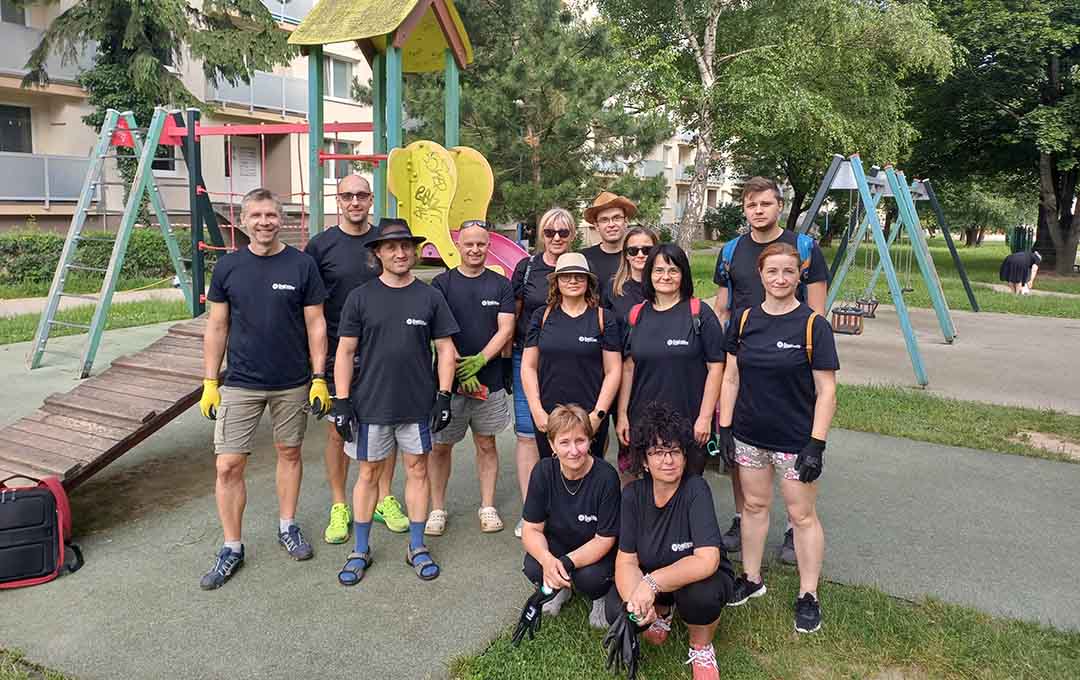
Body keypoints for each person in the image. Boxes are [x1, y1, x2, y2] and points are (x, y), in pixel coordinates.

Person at [198, 188, 328, 590]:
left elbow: (316, 324)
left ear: (281, 218)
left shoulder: (302, 265)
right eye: (256, 215)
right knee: (228, 465)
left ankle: (287, 526)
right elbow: (217, 326)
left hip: (292, 382)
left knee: (289, 453)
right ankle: (232, 546)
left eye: (271, 215)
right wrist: (209, 381)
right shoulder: (228, 267)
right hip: (240, 383)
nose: (264, 222)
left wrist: (319, 376)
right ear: (243, 220)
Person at [715, 242, 838, 634]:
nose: (780, 279)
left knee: (801, 516)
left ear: (799, 275)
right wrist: (726, 427)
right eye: (773, 272)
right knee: (753, 506)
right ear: (761, 275)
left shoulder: (812, 324)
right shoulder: (745, 319)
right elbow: (730, 377)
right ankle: (751, 578)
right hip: (750, 436)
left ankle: (808, 594)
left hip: (795, 441)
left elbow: (827, 390)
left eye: (788, 272)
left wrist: (816, 443)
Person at [330, 218, 458, 585]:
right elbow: (345, 352)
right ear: (378, 253)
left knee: (417, 470)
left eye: (406, 246)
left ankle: (416, 547)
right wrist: (341, 401)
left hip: (418, 406)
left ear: (414, 251)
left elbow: (447, 350)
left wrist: (444, 395)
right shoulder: (361, 297)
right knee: (367, 474)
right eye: (391, 247)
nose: (400, 253)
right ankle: (360, 549)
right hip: (370, 406)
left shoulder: (431, 295)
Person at [711, 176, 829, 564]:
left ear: (779, 205)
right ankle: (743, 515)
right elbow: (723, 307)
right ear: (744, 209)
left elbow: (817, 312)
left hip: (789, 361)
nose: (758, 211)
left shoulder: (805, 248)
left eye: (765, 203)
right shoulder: (731, 251)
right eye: (751, 205)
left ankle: (796, 528)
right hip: (743, 356)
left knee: (792, 449)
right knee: (741, 446)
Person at [304, 175, 410, 543]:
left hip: (384, 350)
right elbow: (310, 307)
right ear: (338, 200)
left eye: (361, 195)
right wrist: (316, 368)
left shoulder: (384, 238)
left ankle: (384, 498)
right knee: (339, 432)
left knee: (388, 427)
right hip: (339, 353)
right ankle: (339, 504)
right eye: (347, 195)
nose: (354, 201)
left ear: (370, 199)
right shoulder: (320, 246)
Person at [605, 402, 734, 680]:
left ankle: (701, 645)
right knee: (617, 608)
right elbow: (626, 561)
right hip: (657, 578)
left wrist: (650, 584)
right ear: (644, 460)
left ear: (685, 456)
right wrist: (638, 601)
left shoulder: (695, 489)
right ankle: (660, 612)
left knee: (700, 596)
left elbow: (707, 559)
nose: (668, 460)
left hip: (699, 578)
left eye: (675, 451)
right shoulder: (632, 496)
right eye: (658, 452)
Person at [426, 221, 515, 536]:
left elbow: (505, 328)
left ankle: (487, 506)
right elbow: (438, 331)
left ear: (488, 245)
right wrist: (459, 370)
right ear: (459, 246)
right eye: (469, 244)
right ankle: (437, 508)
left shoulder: (500, 285)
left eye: (481, 244)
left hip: (488, 381)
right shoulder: (441, 284)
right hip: (448, 384)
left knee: (486, 443)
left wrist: (480, 361)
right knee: (440, 446)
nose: (475, 249)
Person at [616, 244, 725, 477]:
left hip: (689, 419)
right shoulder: (636, 315)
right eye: (658, 270)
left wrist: (705, 418)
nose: (666, 276)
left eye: (673, 270)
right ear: (649, 274)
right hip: (644, 420)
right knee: (651, 488)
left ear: (683, 274)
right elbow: (628, 369)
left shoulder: (699, 313)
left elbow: (716, 368)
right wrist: (623, 415)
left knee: (688, 487)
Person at [521, 405, 621, 628]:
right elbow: (531, 529)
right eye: (564, 442)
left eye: (580, 441)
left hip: (595, 551)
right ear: (552, 445)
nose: (573, 450)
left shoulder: (606, 477)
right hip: (559, 545)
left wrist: (565, 563)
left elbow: (605, 539)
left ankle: (599, 598)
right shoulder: (543, 472)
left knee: (591, 578)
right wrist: (548, 561)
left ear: (590, 440)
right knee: (532, 565)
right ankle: (560, 590)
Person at [510, 208, 576, 537]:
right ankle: (531, 510)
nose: (556, 238)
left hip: (571, 361)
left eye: (563, 232)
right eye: (550, 232)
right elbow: (515, 315)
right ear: (541, 235)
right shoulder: (527, 269)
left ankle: (570, 508)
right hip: (529, 358)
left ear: (572, 235)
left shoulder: (578, 268)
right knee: (528, 435)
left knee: (571, 433)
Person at [521, 252, 622, 461]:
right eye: (566, 276)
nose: (573, 281)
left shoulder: (604, 318)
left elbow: (613, 370)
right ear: (556, 282)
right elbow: (528, 366)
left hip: (589, 413)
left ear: (588, 281)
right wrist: (537, 410)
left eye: (579, 276)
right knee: (553, 473)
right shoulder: (541, 316)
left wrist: (598, 415)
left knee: (590, 474)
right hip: (549, 414)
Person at [582, 191, 637, 292]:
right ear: (596, 226)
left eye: (616, 218)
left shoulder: (638, 256)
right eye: (604, 220)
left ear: (625, 222)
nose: (611, 224)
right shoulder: (584, 259)